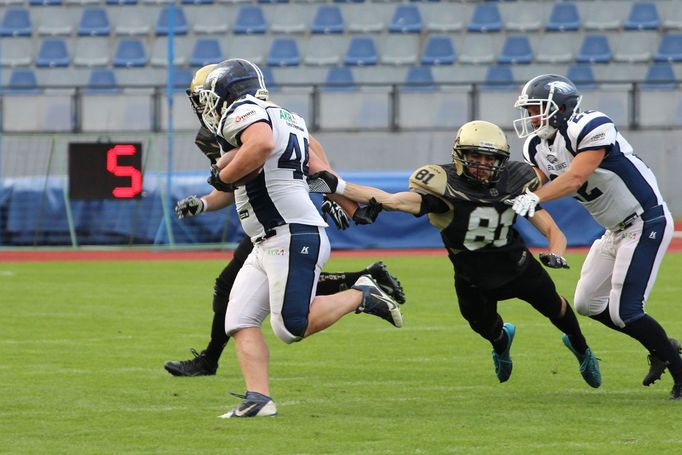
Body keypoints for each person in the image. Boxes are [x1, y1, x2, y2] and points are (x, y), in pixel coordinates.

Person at [308, 120, 601, 387]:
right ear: (461, 156)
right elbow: (394, 201)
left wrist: (556, 253)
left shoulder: (513, 180)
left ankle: (582, 348)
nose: (483, 165)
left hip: (517, 265)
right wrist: (340, 187)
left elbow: (554, 232)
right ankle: (501, 343)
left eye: (490, 158)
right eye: (476, 157)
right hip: (471, 276)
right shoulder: (443, 186)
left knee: (556, 309)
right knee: (483, 326)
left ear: (501, 161)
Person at [164, 64, 405, 378]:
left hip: (279, 218)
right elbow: (237, 181)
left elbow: (308, 168)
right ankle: (360, 279)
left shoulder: (253, 118)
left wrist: (341, 201)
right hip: (266, 218)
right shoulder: (277, 118)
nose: (202, 107)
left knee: (277, 308)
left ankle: (211, 360)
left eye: (205, 98)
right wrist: (203, 202)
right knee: (267, 289)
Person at [507, 74, 682, 399]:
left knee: (626, 311)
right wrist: (510, 187)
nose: (531, 118)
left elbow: (575, 178)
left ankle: (678, 368)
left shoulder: (588, 126)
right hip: (614, 229)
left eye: (536, 109)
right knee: (587, 302)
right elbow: (535, 180)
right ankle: (659, 344)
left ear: (559, 107)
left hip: (645, 220)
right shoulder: (537, 145)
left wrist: (536, 198)